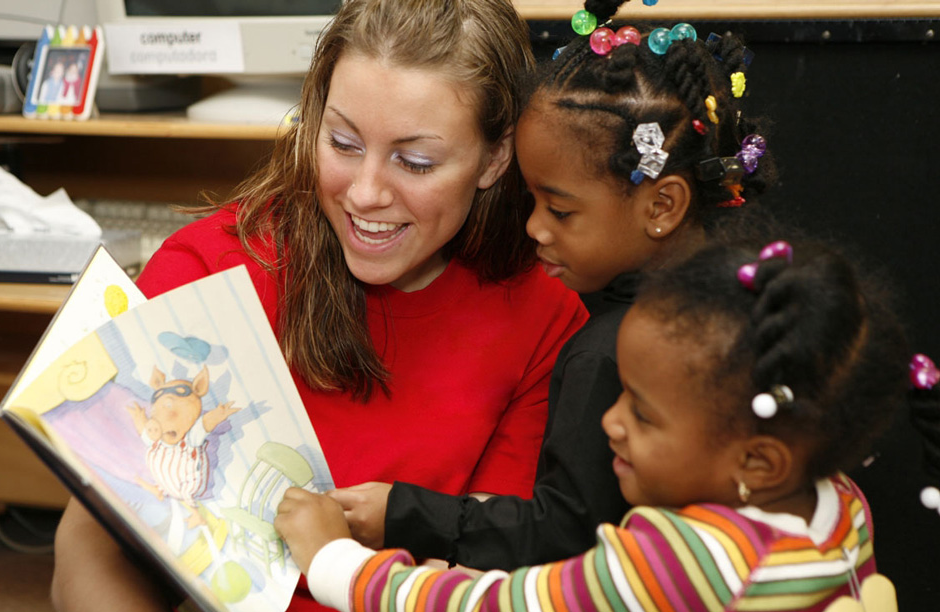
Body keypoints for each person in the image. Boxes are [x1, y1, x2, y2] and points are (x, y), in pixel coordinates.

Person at [48, 1, 587, 611]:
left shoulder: (545, 315)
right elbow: (92, 540)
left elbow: (484, 566)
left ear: (494, 159)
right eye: (342, 143)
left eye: (415, 161)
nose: (365, 193)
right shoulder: (210, 272)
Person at [328, 0, 777, 572]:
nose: (534, 226)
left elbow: (565, 534)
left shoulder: (609, 352)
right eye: (531, 200)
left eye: (559, 210)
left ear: (661, 204)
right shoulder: (754, 296)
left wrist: (400, 512)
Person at [276, 235, 937, 611]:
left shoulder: (690, 558)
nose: (611, 424)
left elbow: (490, 607)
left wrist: (333, 558)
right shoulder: (838, 504)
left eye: (643, 415)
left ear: (758, 462)